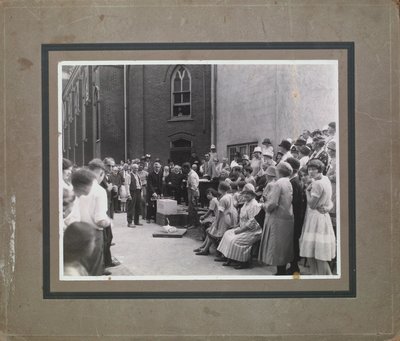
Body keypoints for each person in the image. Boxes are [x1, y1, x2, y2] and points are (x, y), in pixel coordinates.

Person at [299, 159, 336, 275]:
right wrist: (328, 207)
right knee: (317, 252)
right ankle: (319, 277)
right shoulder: (325, 179)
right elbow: (329, 200)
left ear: (319, 170)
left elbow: (312, 204)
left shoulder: (317, 183)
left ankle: (321, 278)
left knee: (314, 252)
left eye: (314, 169)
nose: (311, 172)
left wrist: (306, 191)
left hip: (315, 219)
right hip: (323, 217)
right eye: (309, 169)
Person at [258, 162, 294, 275]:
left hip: (277, 218)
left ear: (278, 171)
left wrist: (264, 206)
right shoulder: (289, 182)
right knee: (283, 246)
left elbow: (273, 203)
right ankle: (282, 270)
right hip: (287, 217)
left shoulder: (278, 183)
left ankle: (280, 272)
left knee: (276, 246)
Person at [217, 184, 261, 269]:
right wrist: (236, 226)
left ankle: (243, 262)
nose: (246, 195)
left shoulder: (254, 205)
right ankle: (228, 257)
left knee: (235, 240)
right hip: (243, 228)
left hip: (253, 231)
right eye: (244, 193)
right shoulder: (246, 203)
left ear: (253, 194)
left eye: (248, 193)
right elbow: (242, 218)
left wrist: (240, 230)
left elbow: (253, 223)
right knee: (227, 234)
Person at [87, 159, 118, 271]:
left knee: (108, 238)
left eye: (112, 166)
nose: (110, 168)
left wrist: (113, 190)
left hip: (106, 209)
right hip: (100, 215)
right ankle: (104, 264)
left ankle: (107, 261)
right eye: (108, 166)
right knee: (105, 239)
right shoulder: (100, 183)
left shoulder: (107, 178)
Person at [196, 182, 237, 256]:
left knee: (213, 233)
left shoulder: (223, 199)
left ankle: (211, 251)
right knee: (212, 232)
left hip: (223, 219)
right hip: (229, 217)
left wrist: (217, 223)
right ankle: (205, 248)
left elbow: (220, 213)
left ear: (219, 189)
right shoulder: (230, 196)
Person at [286, 157, 306, 274]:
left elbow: (294, 201)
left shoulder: (294, 182)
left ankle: (294, 269)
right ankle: (293, 267)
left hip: (295, 217)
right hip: (297, 216)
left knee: (293, 241)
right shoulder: (296, 180)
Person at [182, 162, 200, 229]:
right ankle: (191, 223)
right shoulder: (190, 174)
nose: (183, 171)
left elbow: (194, 187)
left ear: (187, 168)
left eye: (184, 169)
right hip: (190, 191)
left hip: (193, 193)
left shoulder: (192, 175)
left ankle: (194, 224)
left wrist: (193, 197)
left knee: (192, 209)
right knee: (190, 209)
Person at [126, 163, 143, 228]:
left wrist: (140, 193)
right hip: (132, 192)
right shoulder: (128, 175)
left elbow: (140, 184)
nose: (136, 169)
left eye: (137, 168)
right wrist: (128, 194)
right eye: (135, 168)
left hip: (138, 191)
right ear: (132, 168)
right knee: (131, 207)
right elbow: (127, 185)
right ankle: (129, 222)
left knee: (138, 207)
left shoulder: (137, 175)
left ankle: (136, 221)